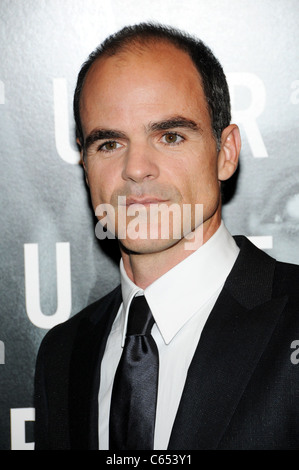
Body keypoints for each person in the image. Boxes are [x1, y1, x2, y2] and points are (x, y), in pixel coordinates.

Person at [34, 23, 299, 450]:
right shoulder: (61, 356)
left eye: (170, 136)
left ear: (225, 153)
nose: (136, 168)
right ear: (84, 164)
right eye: (109, 144)